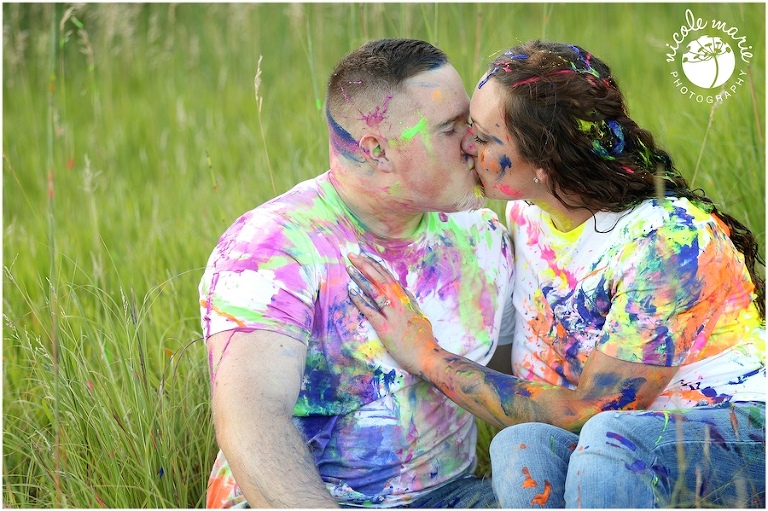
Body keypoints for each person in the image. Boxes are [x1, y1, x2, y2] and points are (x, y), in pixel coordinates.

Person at [347, 40, 766, 508]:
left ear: (545, 162)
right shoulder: (525, 219)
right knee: (518, 446)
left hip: (738, 437)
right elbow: (519, 376)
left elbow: (591, 412)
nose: (467, 145)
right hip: (605, 455)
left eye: (485, 138)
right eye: (470, 128)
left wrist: (428, 357)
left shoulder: (669, 240)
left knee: (608, 439)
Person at [198, 38, 515, 508]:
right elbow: (251, 423)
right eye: (450, 130)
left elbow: (517, 381)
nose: (474, 143)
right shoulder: (272, 246)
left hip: (451, 496)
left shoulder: (481, 233)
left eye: (469, 123)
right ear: (377, 150)